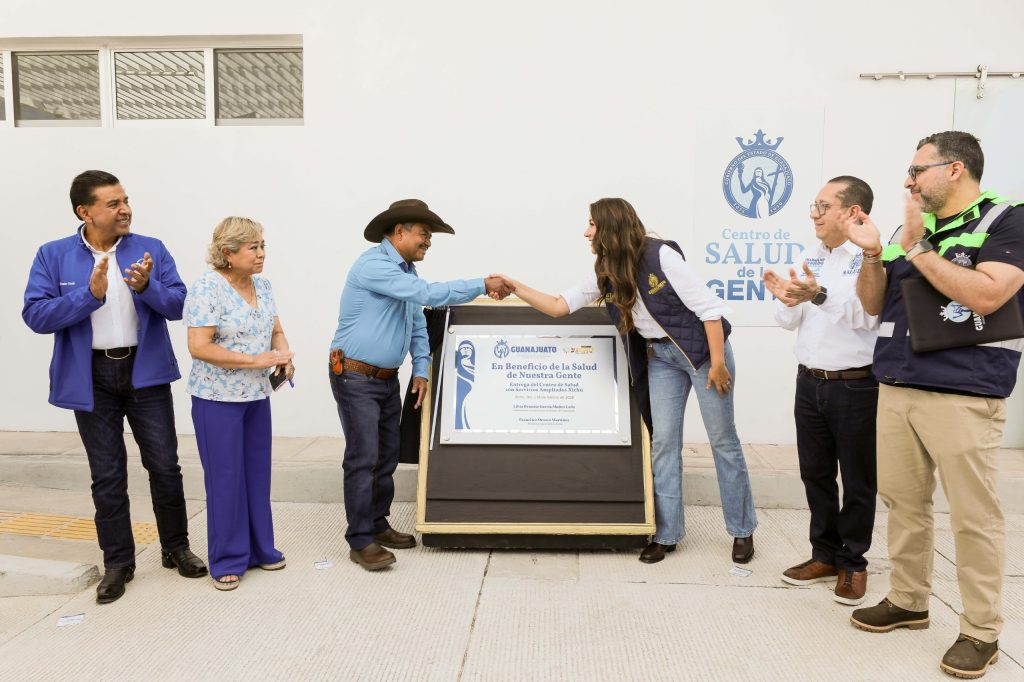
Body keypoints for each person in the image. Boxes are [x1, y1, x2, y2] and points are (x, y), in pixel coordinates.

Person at [847, 131, 1024, 679]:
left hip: (964, 392)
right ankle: (909, 601)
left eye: (916, 170)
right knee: (904, 504)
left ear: (954, 169)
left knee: (973, 516)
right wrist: (874, 253)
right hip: (899, 384)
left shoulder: (1005, 220)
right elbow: (873, 304)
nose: (908, 181)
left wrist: (919, 248)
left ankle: (981, 630)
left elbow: (987, 295)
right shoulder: (910, 229)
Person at [499, 198, 757, 564]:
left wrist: (717, 363)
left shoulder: (661, 255)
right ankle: (667, 534)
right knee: (664, 443)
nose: (586, 232)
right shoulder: (606, 269)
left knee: (722, 440)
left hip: (702, 354)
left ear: (611, 226)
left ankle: (742, 530)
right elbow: (559, 305)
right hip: (661, 357)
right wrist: (515, 286)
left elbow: (709, 309)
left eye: (592, 224)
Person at [22, 170, 207, 604]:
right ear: (84, 212)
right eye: (113, 204)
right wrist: (88, 296)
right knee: (107, 475)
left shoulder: (150, 248)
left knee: (165, 466)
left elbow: (180, 305)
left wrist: (146, 287)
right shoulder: (52, 255)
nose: (125, 209)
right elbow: (36, 316)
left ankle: (176, 547)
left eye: (125, 201)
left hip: (145, 372)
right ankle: (118, 563)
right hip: (90, 377)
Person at [329, 199, 512, 571]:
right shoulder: (374, 266)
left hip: (384, 380)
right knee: (364, 458)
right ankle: (360, 540)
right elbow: (429, 295)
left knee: (385, 457)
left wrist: (422, 369)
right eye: (424, 234)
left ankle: (377, 524)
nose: (428, 241)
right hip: (355, 376)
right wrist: (482, 284)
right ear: (399, 232)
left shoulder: (406, 274)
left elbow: (416, 323)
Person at [763, 176, 879, 606]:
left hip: (855, 386)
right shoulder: (810, 254)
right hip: (809, 382)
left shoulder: (871, 258)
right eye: (813, 206)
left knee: (858, 480)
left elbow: (868, 316)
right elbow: (789, 320)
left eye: (823, 206)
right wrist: (786, 299)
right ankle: (824, 555)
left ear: (852, 212)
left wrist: (818, 294)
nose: (814, 214)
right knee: (815, 473)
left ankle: (853, 563)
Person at [184, 217, 294, 590]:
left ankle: (261, 548)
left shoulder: (263, 285)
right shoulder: (207, 288)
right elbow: (198, 346)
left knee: (257, 474)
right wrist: (253, 360)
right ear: (228, 253)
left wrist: (282, 354)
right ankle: (228, 558)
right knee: (226, 478)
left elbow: (276, 330)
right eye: (253, 247)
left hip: (256, 396)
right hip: (217, 399)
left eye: (263, 246)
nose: (261, 254)